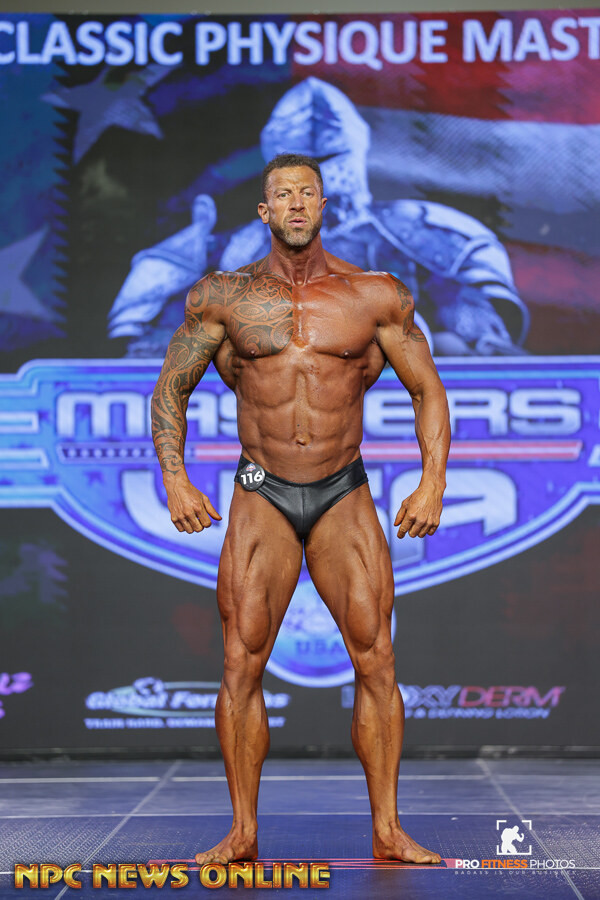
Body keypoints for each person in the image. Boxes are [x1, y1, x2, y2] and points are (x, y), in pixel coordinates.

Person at [151, 152, 451, 865]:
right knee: (240, 661)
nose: (294, 203)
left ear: (323, 205)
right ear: (264, 211)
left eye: (306, 193)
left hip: (343, 489)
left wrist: (432, 482)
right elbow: (171, 388)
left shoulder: (373, 295)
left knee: (377, 659)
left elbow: (426, 389)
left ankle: (387, 829)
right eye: (281, 194)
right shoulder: (224, 296)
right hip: (263, 490)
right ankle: (242, 832)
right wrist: (176, 480)